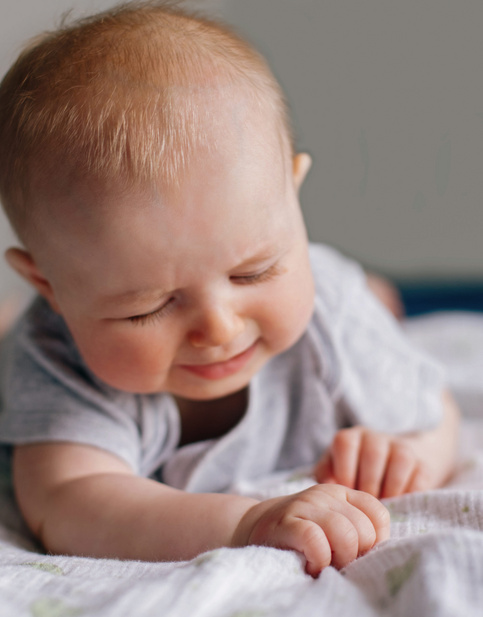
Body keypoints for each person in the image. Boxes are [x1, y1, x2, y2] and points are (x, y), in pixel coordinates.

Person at [0, 2, 459, 577]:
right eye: (149, 306)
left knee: (364, 301)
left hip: (344, 289)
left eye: (254, 272)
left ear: (293, 196)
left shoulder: (328, 310)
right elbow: (70, 501)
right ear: (52, 288)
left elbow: (434, 403)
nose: (218, 326)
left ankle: (376, 291)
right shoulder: (54, 356)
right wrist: (245, 523)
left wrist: (411, 455)